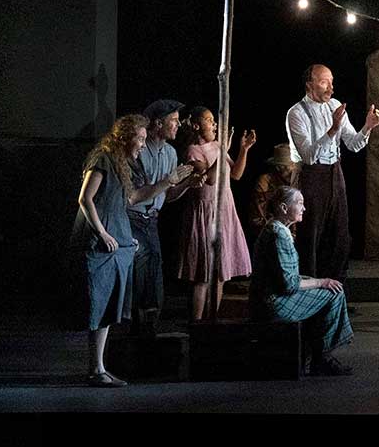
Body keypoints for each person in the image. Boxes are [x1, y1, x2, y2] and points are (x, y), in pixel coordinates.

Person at [73, 114, 184, 386]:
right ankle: (95, 369)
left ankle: (98, 367)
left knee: (109, 305)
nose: (143, 145)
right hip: (100, 240)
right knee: (99, 304)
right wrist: (103, 233)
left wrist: (168, 182)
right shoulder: (102, 159)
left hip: (117, 239)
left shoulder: (122, 163)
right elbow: (85, 198)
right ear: (125, 137)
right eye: (141, 139)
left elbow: (133, 197)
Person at [284, 64, 379, 281]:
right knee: (311, 236)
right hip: (310, 176)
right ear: (309, 85)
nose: (331, 88)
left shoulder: (334, 106)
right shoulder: (296, 113)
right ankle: (309, 295)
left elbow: (354, 144)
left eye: (331, 82)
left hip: (334, 173)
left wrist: (367, 127)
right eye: (323, 82)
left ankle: (336, 293)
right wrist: (332, 129)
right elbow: (308, 156)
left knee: (339, 237)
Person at [251, 186, 355, 376]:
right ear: (284, 207)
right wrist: (321, 282)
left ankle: (314, 352)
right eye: (299, 203)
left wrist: (318, 281)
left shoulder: (277, 230)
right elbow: (289, 285)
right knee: (334, 293)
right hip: (273, 303)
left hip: (272, 297)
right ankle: (322, 357)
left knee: (328, 288)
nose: (304, 208)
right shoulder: (278, 234)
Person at [175, 107, 257, 322]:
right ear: (196, 125)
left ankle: (212, 320)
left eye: (213, 120)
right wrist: (222, 153)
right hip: (205, 210)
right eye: (209, 120)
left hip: (224, 208)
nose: (214, 124)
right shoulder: (193, 150)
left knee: (220, 274)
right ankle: (197, 323)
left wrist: (243, 149)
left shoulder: (219, 146)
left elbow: (236, 174)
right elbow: (209, 178)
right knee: (204, 274)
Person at [130, 98, 193, 333]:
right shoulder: (139, 151)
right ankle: (135, 330)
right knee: (138, 274)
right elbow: (137, 195)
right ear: (158, 123)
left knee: (155, 275)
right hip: (133, 218)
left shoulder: (170, 153)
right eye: (174, 121)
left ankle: (149, 331)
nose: (178, 125)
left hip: (152, 220)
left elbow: (166, 196)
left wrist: (187, 184)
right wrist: (169, 180)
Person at [248, 143, 300, 244]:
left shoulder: (299, 181)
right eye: (280, 166)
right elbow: (257, 216)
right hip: (273, 233)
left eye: (286, 166)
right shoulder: (265, 182)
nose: (282, 169)